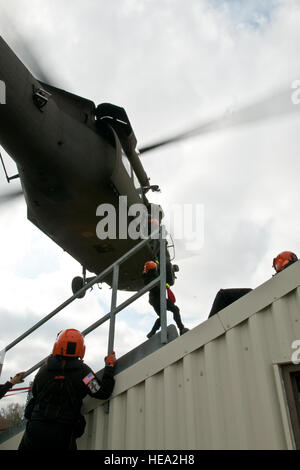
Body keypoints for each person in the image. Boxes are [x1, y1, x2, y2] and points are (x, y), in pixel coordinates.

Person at [18, 329, 116, 451]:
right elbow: (102, 392)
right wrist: (109, 368)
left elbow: (35, 393)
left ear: (56, 346)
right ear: (81, 349)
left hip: (35, 429)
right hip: (62, 432)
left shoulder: (44, 369)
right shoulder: (84, 372)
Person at [143, 261, 189, 338]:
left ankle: (152, 333)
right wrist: (164, 286)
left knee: (163, 316)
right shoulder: (149, 278)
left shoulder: (150, 275)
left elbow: (159, 269)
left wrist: (170, 270)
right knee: (174, 310)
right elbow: (156, 288)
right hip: (157, 299)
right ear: (153, 269)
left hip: (155, 299)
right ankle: (181, 328)